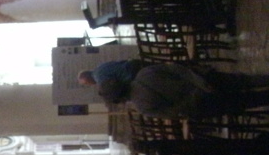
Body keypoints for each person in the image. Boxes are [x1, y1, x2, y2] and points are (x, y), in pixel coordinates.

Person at [78, 60, 269, 119]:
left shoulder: (144, 107)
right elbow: (177, 68)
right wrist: (199, 82)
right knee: (244, 81)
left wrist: (196, 95)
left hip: (204, 102)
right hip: (205, 80)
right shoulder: (145, 73)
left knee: (248, 101)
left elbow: (177, 112)